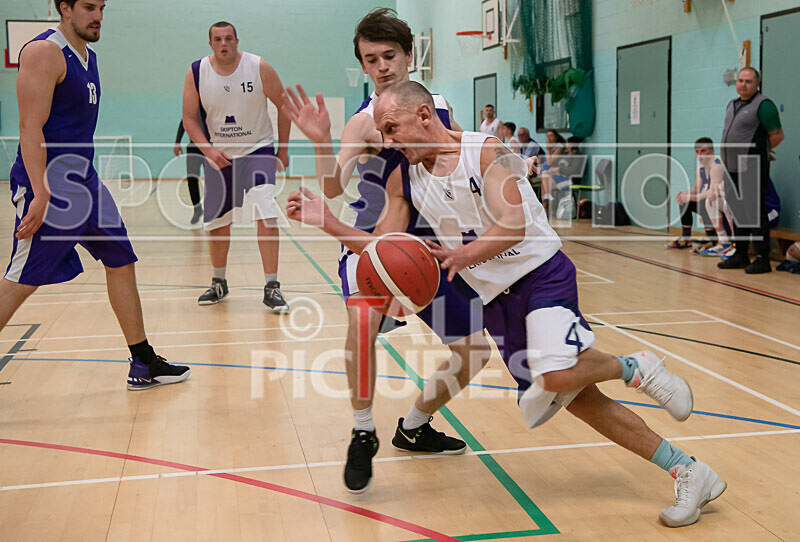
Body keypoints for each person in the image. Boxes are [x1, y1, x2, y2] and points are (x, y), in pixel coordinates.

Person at [286, 81, 727, 528]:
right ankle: (689, 470)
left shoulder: (485, 151)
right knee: (581, 401)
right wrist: (327, 221)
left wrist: (461, 256)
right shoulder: (403, 176)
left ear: (423, 116)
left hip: (542, 274)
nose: (387, 141)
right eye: (382, 132)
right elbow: (383, 249)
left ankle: (635, 367)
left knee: (554, 375)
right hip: (498, 302)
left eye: (392, 128)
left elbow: (514, 225)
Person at [281, 8, 493, 494]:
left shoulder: (435, 105)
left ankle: (415, 424)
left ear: (410, 56)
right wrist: (319, 141)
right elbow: (333, 187)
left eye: (389, 56)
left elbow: (459, 156)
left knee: (474, 350)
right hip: (374, 244)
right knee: (361, 325)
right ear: (363, 65)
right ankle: (361, 429)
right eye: (371, 59)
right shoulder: (362, 122)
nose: (381, 66)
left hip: (432, 246)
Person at [1, 0, 190, 390]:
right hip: (51, 189)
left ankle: (143, 361)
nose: (98, 15)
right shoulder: (43, 52)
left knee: (121, 259)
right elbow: (28, 128)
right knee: (21, 281)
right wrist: (39, 192)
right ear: (64, 7)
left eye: (102, 7)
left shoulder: (89, 57)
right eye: (89, 6)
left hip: (85, 183)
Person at [182, 21, 290, 309]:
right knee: (218, 223)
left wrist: (284, 149)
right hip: (220, 154)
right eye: (218, 39)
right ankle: (219, 283)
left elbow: (285, 105)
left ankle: (272, 286)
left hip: (258, 149)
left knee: (266, 214)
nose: (224, 43)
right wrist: (207, 150)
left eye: (228, 38)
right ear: (210, 44)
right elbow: (189, 119)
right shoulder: (197, 71)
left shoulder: (258, 67)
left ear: (236, 40)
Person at [718, 67, 784, 274]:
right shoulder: (732, 104)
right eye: (740, 81)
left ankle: (763, 258)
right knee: (738, 210)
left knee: (755, 212)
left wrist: (764, 151)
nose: (743, 85)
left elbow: (777, 135)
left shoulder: (764, 105)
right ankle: (741, 254)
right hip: (731, 167)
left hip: (752, 167)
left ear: (757, 84)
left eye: (748, 81)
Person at [665, 138, 729, 254]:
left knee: (707, 200)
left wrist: (689, 197)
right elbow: (695, 190)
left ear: (712, 151)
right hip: (710, 203)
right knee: (685, 202)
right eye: (697, 151)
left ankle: (711, 238)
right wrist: (684, 195)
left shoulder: (717, 166)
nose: (700, 155)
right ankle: (686, 238)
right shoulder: (700, 168)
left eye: (703, 151)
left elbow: (711, 193)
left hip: (723, 206)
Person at [540, 136, 586, 213]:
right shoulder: (567, 154)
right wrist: (555, 170)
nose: (566, 144)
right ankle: (546, 205)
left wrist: (560, 170)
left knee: (545, 182)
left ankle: (544, 208)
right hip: (562, 178)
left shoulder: (578, 156)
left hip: (571, 180)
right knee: (545, 176)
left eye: (567, 143)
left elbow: (574, 170)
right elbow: (560, 165)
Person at [173, 119, 204, 225]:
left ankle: (212, 211)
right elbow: (183, 122)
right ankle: (197, 209)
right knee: (191, 179)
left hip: (209, 147)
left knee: (212, 180)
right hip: (193, 148)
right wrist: (178, 142)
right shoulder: (192, 105)